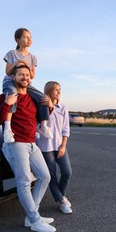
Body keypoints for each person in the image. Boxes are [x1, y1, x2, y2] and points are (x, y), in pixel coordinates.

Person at [0, 64, 56, 232]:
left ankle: (31, 215)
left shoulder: (33, 99)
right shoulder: (5, 96)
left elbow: (36, 117)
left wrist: (49, 106)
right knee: (24, 181)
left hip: (31, 142)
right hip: (15, 144)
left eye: (27, 75)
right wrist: (6, 104)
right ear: (13, 77)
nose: (25, 77)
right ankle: (34, 220)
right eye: (21, 74)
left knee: (44, 176)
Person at [2, 28, 52, 143]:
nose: (29, 39)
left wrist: (26, 66)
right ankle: (8, 130)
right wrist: (17, 63)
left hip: (26, 82)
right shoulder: (12, 53)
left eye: (30, 37)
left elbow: (32, 75)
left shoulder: (33, 57)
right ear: (18, 40)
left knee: (43, 97)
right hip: (10, 80)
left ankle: (43, 125)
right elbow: (8, 72)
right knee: (12, 95)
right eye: (26, 37)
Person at [37, 81, 73, 214]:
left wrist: (63, 146)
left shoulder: (63, 107)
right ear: (48, 91)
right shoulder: (41, 107)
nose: (59, 92)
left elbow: (66, 129)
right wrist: (49, 107)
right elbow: (37, 126)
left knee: (67, 172)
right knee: (52, 176)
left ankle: (60, 196)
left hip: (59, 146)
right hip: (46, 147)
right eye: (56, 89)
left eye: (60, 89)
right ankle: (62, 201)